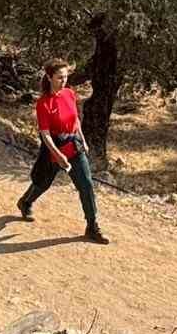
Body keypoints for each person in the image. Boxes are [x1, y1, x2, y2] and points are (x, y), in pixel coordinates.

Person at [14, 59, 109, 245]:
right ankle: (25, 202)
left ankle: (92, 225)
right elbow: (45, 134)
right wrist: (58, 155)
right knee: (43, 183)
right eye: (59, 77)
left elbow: (76, 120)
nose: (63, 81)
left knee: (86, 185)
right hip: (53, 149)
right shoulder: (43, 103)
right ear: (49, 78)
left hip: (74, 145)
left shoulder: (69, 94)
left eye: (65, 77)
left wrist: (82, 139)